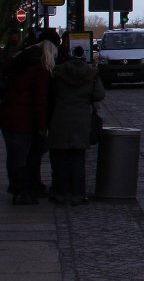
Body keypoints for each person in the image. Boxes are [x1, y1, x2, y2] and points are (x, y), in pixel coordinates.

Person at [48, 45, 105, 206]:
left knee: (59, 157)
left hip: (60, 118)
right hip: (81, 119)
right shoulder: (90, 74)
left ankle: (60, 192)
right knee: (78, 158)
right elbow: (100, 94)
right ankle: (78, 193)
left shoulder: (58, 73)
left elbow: (50, 95)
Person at [1, 40, 53, 205]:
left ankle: (17, 188)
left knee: (14, 156)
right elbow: (40, 101)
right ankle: (22, 191)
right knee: (23, 157)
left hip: (8, 117)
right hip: (24, 120)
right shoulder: (39, 72)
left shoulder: (15, 68)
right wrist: (42, 126)